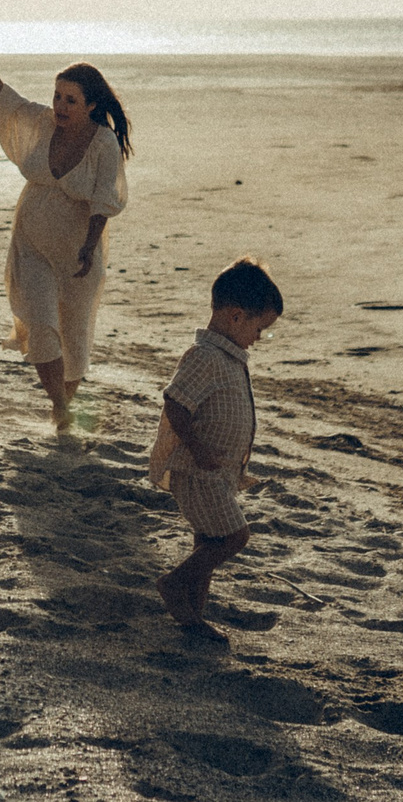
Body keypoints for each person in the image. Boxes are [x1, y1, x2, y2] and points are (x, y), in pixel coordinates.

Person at [0, 15, 129, 433]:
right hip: (31, 243)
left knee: (73, 338)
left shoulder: (104, 143)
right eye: (57, 96)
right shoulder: (40, 122)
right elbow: (0, 96)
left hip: (78, 251)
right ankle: (59, 406)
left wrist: (89, 247)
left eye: (71, 100)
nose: (60, 106)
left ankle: (63, 407)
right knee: (40, 325)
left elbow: (104, 200)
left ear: (91, 105)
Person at [149, 257, 284, 642]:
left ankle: (192, 617)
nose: (259, 338)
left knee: (208, 543)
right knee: (234, 537)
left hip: (217, 473)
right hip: (199, 471)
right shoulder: (205, 356)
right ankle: (175, 583)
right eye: (259, 329)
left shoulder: (226, 356)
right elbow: (175, 403)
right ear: (236, 316)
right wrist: (198, 449)